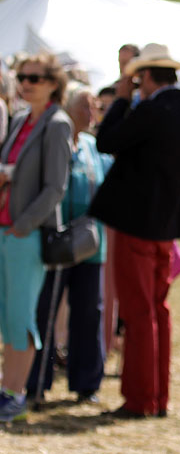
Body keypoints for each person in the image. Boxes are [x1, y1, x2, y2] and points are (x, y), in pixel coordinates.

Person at [89, 43, 180, 418]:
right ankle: (158, 398)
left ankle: (140, 400)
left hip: (136, 223)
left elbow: (107, 140)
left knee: (138, 312)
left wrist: (122, 100)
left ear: (148, 76)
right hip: (165, 226)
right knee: (158, 311)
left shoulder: (151, 110)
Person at [26, 83, 112, 404]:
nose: (91, 114)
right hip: (57, 241)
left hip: (90, 244)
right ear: (68, 109)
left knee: (89, 312)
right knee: (46, 311)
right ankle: (36, 383)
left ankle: (87, 385)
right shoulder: (55, 140)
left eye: (94, 107)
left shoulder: (93, 146)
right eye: (84, 107)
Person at [0, 53, 71, 422]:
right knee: (6, 315)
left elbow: (55, 188)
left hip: (25, 234)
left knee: (21, 315)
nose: (26, 83)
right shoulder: (19, 120)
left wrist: (22, 226)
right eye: (22, 77)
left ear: (53, 84)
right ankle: (7, 388)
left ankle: (16, 395)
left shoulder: (57, 124)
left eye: (35, 78)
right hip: (6, 229)